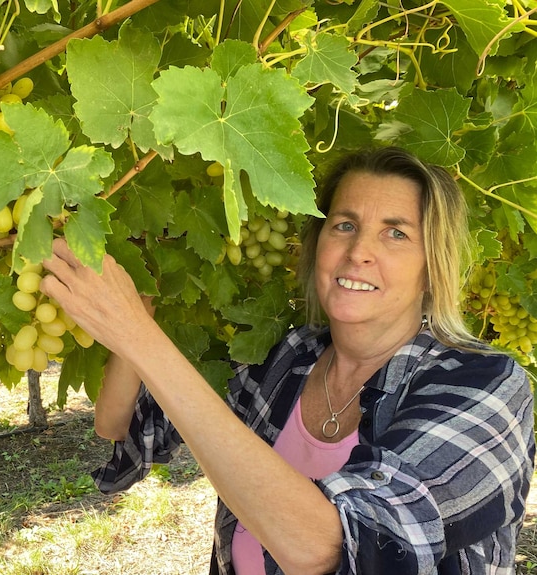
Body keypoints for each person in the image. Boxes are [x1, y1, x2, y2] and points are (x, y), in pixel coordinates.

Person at [40, 147, 535, 574]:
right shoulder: (288, 360)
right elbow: (119, 423)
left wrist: (138, 334)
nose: (358, 250)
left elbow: (330, 545)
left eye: (396, 233)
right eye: (344, 225)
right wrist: (135, 322)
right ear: (316, 246)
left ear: (434, 267)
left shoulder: (486, 385)